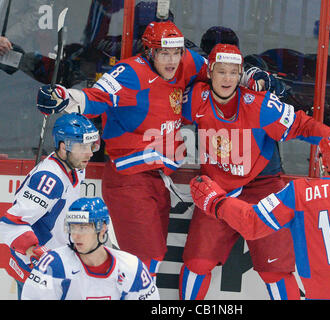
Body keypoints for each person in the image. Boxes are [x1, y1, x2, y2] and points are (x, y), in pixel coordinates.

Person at [35, 21, 270, 282]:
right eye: (163, 53)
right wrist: (65, 97)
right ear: (150, 52)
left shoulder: (187, 61)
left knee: (153, 256)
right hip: (129, 178)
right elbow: (95, 97)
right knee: (142, 259)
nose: (171, 61)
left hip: (157, 179)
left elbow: (219, 69)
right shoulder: (130, 72)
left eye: (176, 53)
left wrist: (251, 77)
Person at [179, 43, 330, 300]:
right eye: (221, 72)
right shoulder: (194, 99)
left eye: (233, 73)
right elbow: (160, 113)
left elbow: (303, 126)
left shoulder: (261, 106)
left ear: (241, 75)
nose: (227, 79)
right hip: (217, 189)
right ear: (210, 71)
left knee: (276, 270)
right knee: (197, 262)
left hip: (262, 188)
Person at [190, 133, 330, 300]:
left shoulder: (299, 193)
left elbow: (251, 222)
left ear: (320, 159)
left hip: (327, 294)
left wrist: (216, 202)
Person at [0, 112, 99, 299]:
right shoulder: (50, 179)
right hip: (38, 272)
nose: (90, 152)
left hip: (59, 264)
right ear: (63, 147)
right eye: (83, 146)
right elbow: (9, 224)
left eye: (92, 145)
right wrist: (37, 251)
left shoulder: (76, 167)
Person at [21, 197, 159, 300]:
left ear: (103, 229)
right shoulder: (54, 265)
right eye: (72, 227)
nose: (75, 235)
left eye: (83, 228)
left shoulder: (132, 267)